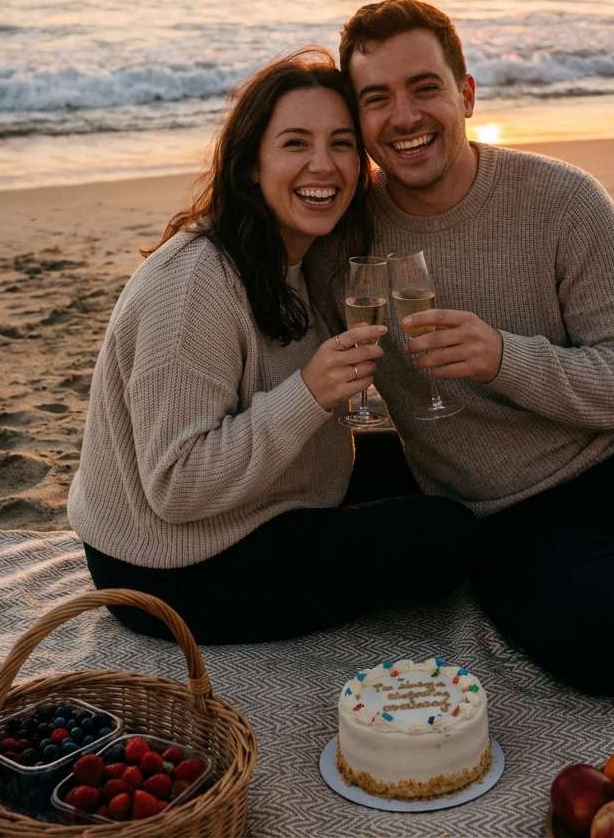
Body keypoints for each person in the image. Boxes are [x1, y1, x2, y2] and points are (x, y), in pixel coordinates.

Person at [315, 0, 614, 694]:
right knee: (607, 654)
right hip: (509, 507)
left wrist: (505, 359)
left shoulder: (563, 199)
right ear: (358, 121)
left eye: (424, 88)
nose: (403, 116)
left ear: (466, 93)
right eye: (376, 99)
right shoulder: (343, 237)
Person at [67, 47, 477, 643]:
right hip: (169, 567)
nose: (324, 166)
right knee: (447, 535)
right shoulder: (195, 285)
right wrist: (309, 392)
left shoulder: (294, 256)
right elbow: (177, 487)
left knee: (439, 461)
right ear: (250, 166)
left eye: (341, 143)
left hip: (255, 507)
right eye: (294, 144)